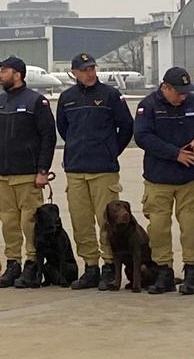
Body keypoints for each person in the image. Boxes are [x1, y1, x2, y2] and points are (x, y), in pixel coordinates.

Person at [56, 53, 134, 291]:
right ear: (74, 73)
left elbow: (127, 126)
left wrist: (111, 151)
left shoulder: (110, 95)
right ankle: (91, 266)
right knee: (81, 221)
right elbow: (63, 127)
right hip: (76, 169)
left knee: (107, 221)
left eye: (92, 68)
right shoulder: (67, 98)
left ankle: (110, 266)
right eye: (84, 69)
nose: (90, 73)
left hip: (103, 169)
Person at [134, 67, 194, 295]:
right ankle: (164, 271)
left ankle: (191, 271)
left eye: (186, 92)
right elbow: (142, 137)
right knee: (158, 228)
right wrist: (175, 153)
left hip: (188, 179)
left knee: (190, 228)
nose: (183, 97)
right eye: (178, 92)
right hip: (158, 178)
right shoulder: (148, 106)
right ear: (165, 87)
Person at [0, 56, 56, 289]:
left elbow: (48, 137)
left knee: (29, 223)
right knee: (8, 222)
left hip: (28, 175)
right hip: (4, 174)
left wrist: (43, 170)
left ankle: (32, 264)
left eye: (3, 71)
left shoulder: (36, 101)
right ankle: (12, 263)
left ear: (17, 74)